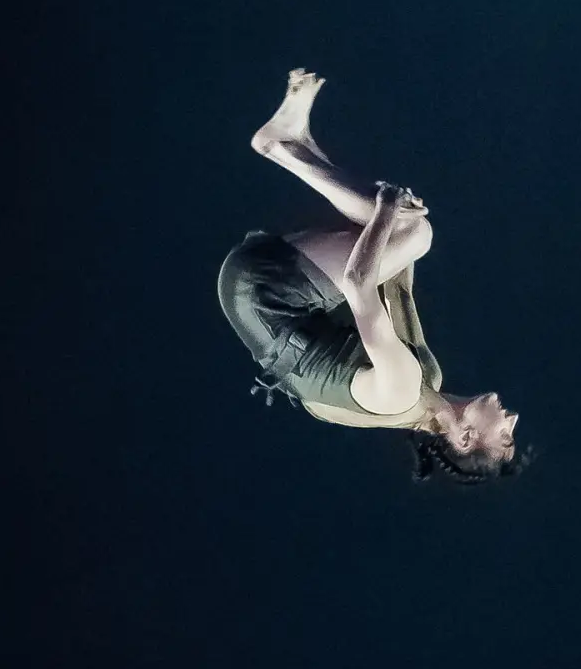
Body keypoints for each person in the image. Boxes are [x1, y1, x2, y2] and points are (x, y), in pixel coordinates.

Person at [217, 69, 524, 484]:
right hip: (279, 299)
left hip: (263, 292)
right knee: (409, 232)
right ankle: (296, 141)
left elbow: (358, 284)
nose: (513, 419)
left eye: (503, 436)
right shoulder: (426, 384)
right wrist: (399, 219)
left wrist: (386, 208)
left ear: (466, 438)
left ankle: (280, 147)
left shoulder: (402, 390)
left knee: (415, 233)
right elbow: (394, 289)